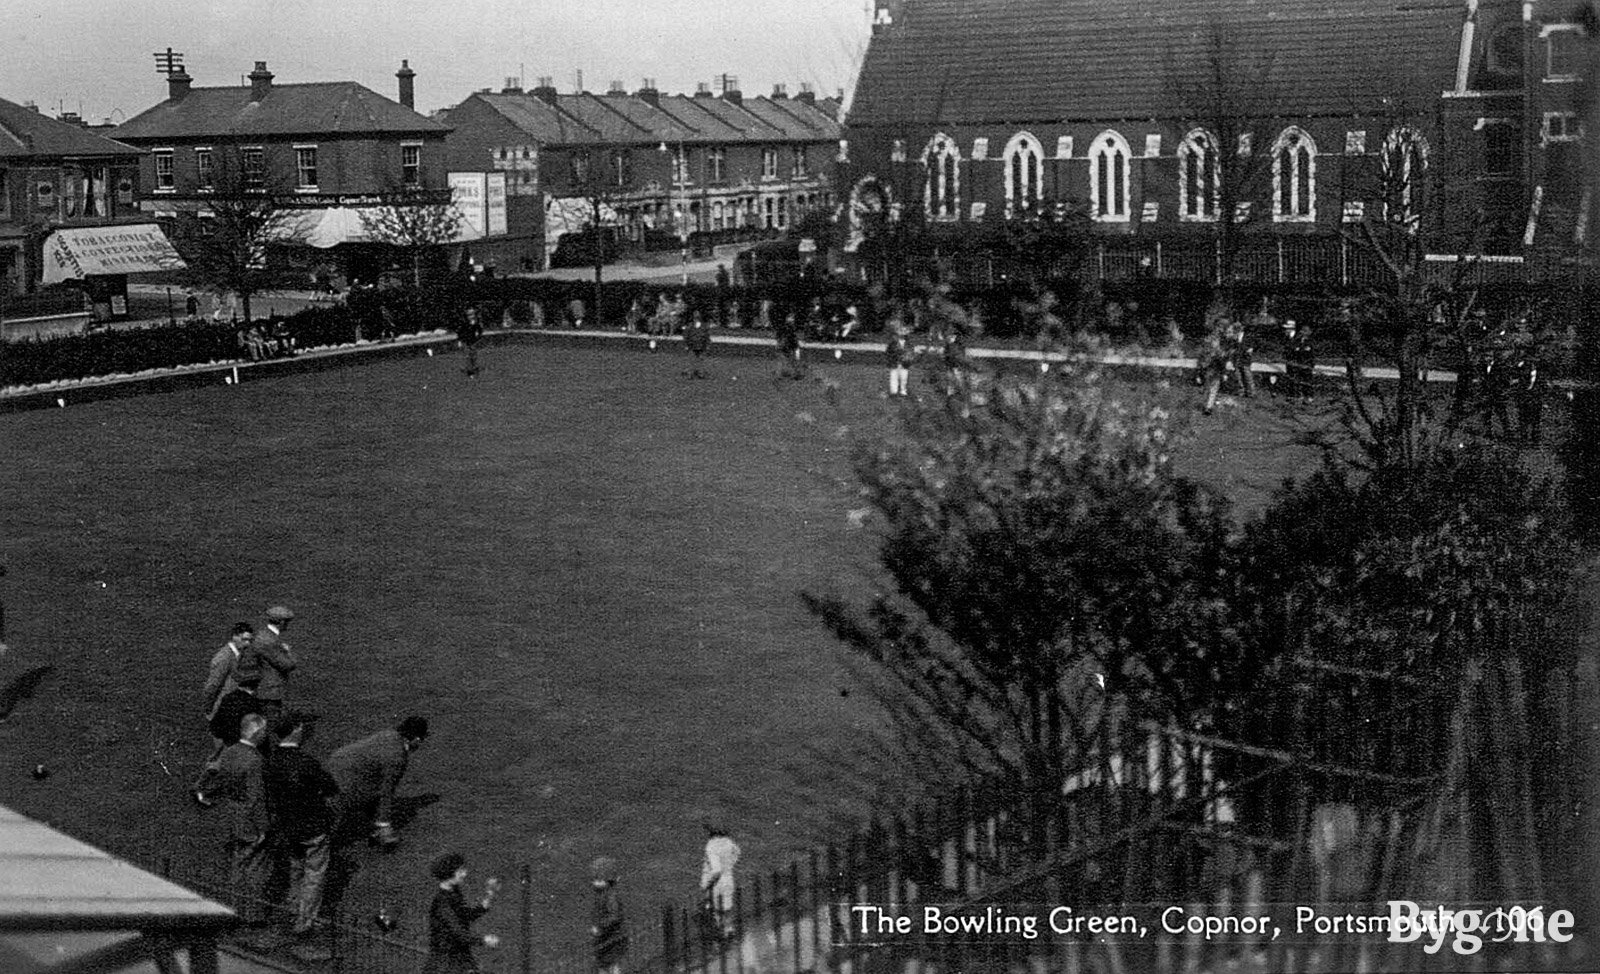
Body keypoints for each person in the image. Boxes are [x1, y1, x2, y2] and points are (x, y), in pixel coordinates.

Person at [263, 710, 340, 959]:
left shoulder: (271, 761)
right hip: (312, 828)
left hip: (287, 827)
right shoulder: (306, 762)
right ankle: (304, 922)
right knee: (314, 875)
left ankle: (292, 910)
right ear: (296, 730)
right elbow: (330, 787)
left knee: (296, 870)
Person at [197, 713, 273, 930]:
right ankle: (253, 915)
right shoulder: (255, 760)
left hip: (231, 816)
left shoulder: (230, 752)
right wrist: (263, 828)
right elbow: (256, 797)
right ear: (258, 734)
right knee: (256, 869)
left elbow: (215, 776)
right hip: (249, 821)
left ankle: (233, 908)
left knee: (237, 865)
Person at [328, 715, 429, 849]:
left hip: (336, 763)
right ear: (416, 739)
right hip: (348, 778)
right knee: (335, 813)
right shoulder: (397, 757)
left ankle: (373, 828)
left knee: (364, 798)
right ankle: (321, 850)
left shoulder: (389, 734)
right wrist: (385, 823)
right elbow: (386, 792)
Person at [422, 853, 501, 974]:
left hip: (458, 958)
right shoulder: (442, 902)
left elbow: (467, 915)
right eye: (460, 871)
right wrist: (484, 940)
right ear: (449, 873)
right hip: (446, 962)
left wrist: (489, 896)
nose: (465, 874)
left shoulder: (453, 893)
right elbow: (459, 932)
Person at [194, 676, 263, 807]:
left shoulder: (229, 697)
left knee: (217, 761)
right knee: (220, 766)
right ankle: (203, 788)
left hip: (223, 735)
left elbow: (219, 718)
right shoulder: (251, 703)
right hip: (236, 739)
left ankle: (201, 786)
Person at [237, 606, 296, 718]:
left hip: (264, 691)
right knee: (271, 726)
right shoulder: (269, 641)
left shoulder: (265, 636)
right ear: (282, 622)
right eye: (287, 622)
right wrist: (288, 652)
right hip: (270, 693)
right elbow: (288, 665)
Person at [202, 623, 255, 730]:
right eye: (244, 639)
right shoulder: (224, 658)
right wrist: (209, 709)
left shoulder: (238, 655)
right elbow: (212, 686)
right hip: (221, 711)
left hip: (232, 708)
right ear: (234, 636)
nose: (247, 644)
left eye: (250, 641)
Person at [699, 824, 740, 938]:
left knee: (716, 911)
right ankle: (729, 931)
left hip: (716, 883)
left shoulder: (711, 846)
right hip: (728, 878)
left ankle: (721, 939)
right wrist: (730, 864)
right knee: (727, 909)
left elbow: (716, 870)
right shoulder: (728, 842)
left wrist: (707, 884)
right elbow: (737, 852)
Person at [590, 858, 628, 974]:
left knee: (610, 966)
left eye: (598, 879)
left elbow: (614, 916)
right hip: (607, 939)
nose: (594, 883)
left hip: (611, 938)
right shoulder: (604, 894)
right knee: (605, 966)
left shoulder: (610, 896)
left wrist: (599, 928)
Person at [885, 317, 913, 398]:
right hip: (894, 362)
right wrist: (890, 360)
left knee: (904, 378)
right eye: (901, 331)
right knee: (894, 377)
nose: (902, 334)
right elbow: (888, 352)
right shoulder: (893, 343)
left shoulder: (909, 344)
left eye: (904, 332)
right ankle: (894, 391)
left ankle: (903, 390)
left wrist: (908, 359)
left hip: (904, 363)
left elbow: (911, 353)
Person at [684, 311, 712, 379]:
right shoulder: (704, 326)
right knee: (699, 360)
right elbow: (707, 337)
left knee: (692, 360)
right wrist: (707, 345)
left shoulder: (690, 326)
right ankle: (699, 373)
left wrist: (687, 344)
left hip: (694, 345)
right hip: (699, 345)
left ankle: (692, 374)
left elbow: (686, 336)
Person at [457, 306, 483, 378]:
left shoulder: (476, 322)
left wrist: (478, 335)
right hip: (465, 341)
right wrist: (459, 341)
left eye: (472, 314)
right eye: (469, 315)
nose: (471, 316)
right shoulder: (464, 323)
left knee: (474, 355)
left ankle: (475, 368)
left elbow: (480, 330)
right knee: (468, 356)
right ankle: (470, 371)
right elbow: (460, 332)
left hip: (473, 341)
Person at [714, 264, 731, 329]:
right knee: (724, 309)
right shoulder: (726, 274)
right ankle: (725, 323)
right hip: (725, 294)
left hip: (721, 294)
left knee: (721, 310)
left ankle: (723, 323)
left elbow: (718, 281)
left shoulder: (719, 275)